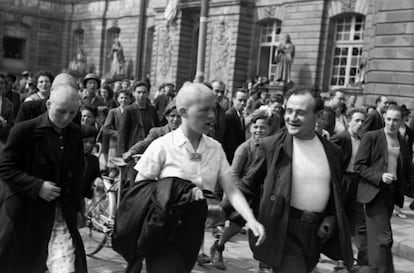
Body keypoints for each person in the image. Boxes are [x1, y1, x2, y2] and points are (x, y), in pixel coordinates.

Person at [131, 83, 265, 273]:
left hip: (194, 235)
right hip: (163, 233)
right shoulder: (162, 147)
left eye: (214, 109)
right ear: (183, 112)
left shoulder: (215, 149)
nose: (211, 116)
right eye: (204, 110)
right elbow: (140, 191)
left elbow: (231, 189)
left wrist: (250, 218)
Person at [234, 86, 353, 272]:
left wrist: (330, 217)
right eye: (289, 111)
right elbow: (248, 184)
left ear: (319, 116)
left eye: (300, 113)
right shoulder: (271, 146)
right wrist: (222, 211)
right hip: (283, 227)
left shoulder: (333, 151)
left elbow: (336, 190)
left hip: (315, 232)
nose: (291, 118)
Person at [0, 85, 87, 273]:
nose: (66, 118)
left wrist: (78, 208)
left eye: (72, 113)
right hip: (25, 211)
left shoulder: (75, 133)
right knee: (21, 264)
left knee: (67, 266)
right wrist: (37, 186)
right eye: (61, 111)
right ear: (48, 104)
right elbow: (5, 167)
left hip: (60, 211)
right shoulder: (23, 130)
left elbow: (77, 173)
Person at [354, 104, 414, 273]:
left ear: (402, 121)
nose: (391, 123)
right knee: (384, 238)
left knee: (371, 236)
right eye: (388, 119)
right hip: (374, 192)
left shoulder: (403, 141)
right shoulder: (371, 137)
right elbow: (359, 166)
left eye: (395, 120)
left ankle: (365, 267)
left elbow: (409, 170)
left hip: (392, 193)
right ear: (384, 118)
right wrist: (380, 176)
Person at [210, 110, 272, 272]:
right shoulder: (244, 149)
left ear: (269, 130)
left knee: (261, 228)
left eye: (263, 127)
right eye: (256, 127)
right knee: (235, 227)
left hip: (261, 196)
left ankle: (263, 263)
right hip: (243, 193)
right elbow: (234, 174)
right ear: (250, 129)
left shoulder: (271, 149)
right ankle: (218, 247)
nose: (259, 130)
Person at [331, 108, 368, 268]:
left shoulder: (364, 141)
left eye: (363, 121)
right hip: (342, 182)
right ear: (349, 121)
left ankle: (361, 262)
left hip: (357, 183)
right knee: (339, 220)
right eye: (357, 120)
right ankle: (340, 257)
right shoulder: (341, 138)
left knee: (359, 222)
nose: (360, 124)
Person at [117, 81, 159, 156]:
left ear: (148, 94)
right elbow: (122, 133)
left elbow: (157, 128)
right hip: (132, 150)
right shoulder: (128, 110)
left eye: (144, 92)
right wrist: (122, 153)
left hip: (149, 149)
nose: (141, 95)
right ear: (134, 93)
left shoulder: (152, 110)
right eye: (139, 92)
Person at [102, 90, 133, 175]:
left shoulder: (133, 111)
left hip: (128, 145)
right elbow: (106, 129)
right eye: (121, 97)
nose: (123, 100)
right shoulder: (113, 112)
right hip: (115, 144)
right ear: (118, 99)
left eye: (126, 98)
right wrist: (119, 135)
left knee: (126, 172)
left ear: (130, 100)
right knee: (113, 172)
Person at [223, 89, 248, 163]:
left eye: (245, 101)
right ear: (233, 99)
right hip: (231, 157)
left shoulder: (241, 115)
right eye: (240, 100)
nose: (243, 103)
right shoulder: (229, 116)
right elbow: (230, 141)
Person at [0, 74, 15, 152]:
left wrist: (4, 124)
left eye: (2, 83)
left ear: (5, 86)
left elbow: (12, 125)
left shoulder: (9, 104)